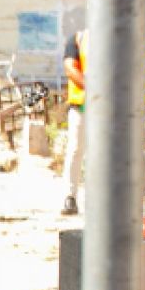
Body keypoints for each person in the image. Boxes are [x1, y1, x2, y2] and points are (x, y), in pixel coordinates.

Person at [60, 29, 87, 216]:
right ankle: (70, 196)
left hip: (108, 109)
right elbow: (70, 68)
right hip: (82, 106)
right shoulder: (78, 39)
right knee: (75, 150)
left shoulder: (115, 38)